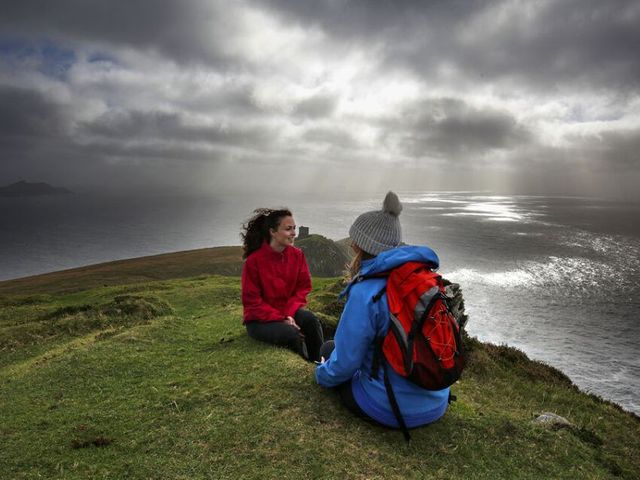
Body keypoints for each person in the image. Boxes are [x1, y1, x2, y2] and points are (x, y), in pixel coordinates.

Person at [315, 192, 450, 431]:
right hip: (436, 401)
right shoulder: (420, 279)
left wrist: (320, 375)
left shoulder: (366, 291)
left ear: (359, 244)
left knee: (328, 349)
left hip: (390, 408)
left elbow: (345, 364)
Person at [241, 207, 324, 362]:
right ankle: (305, 369)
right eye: (288, 229)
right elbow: (252, 302)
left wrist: (289, 314)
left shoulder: (297, 255)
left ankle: (321, 364)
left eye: (294, 228)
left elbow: (303, 288)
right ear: (273, 232)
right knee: (291, 333)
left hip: (287, 312)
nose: (293, 233)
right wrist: (281, 318)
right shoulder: (254, 261)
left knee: (311, 321)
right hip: (259, 321)